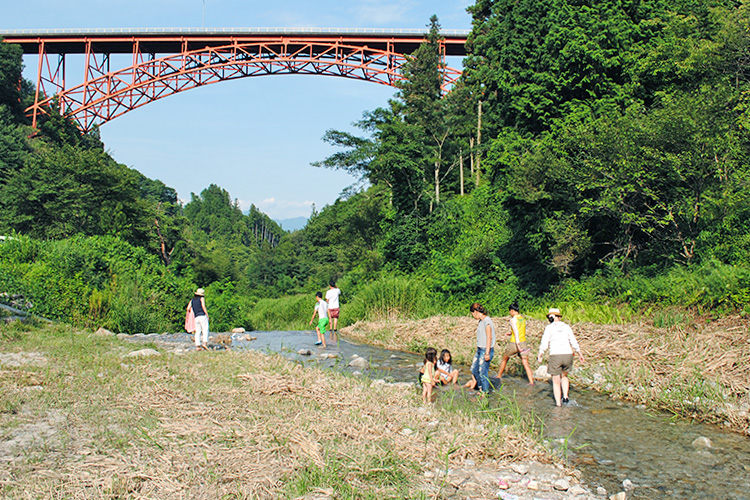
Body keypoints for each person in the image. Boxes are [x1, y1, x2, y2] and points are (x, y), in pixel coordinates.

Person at [537, 307, 585, 406]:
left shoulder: (549, 328)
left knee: (556, 381)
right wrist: (579, 353)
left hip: (555, 355)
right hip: (567, 355)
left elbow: (544, 342)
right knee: (564, 376)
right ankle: (566, 397)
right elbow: (573, 340)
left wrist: (540, 353)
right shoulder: (567, 327)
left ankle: (558, 404)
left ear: (551, 317)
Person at [497, 300, 535, 385]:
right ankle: (531, 382)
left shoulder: (513, 320)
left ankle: (498, 376)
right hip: (523, 342)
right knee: (526, 363)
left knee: (505, 359)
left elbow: (516, 332)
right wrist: (510, 332)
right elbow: (520, 329)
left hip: (514, 343)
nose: (510, 313)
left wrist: (517, 345)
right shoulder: (523, 319)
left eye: (510, 311)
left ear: (512, 311)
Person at [470, 302, 496, 394]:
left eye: (472, 314)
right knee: (474, 369)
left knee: (483, 371)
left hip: (486, 349)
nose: (473, 316)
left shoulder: (487, 321)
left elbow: (489, 337)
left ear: (476, 312)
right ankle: (481, 387)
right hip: (479, 349)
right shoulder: (481, 321)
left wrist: (487, 353)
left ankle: (484, 392)